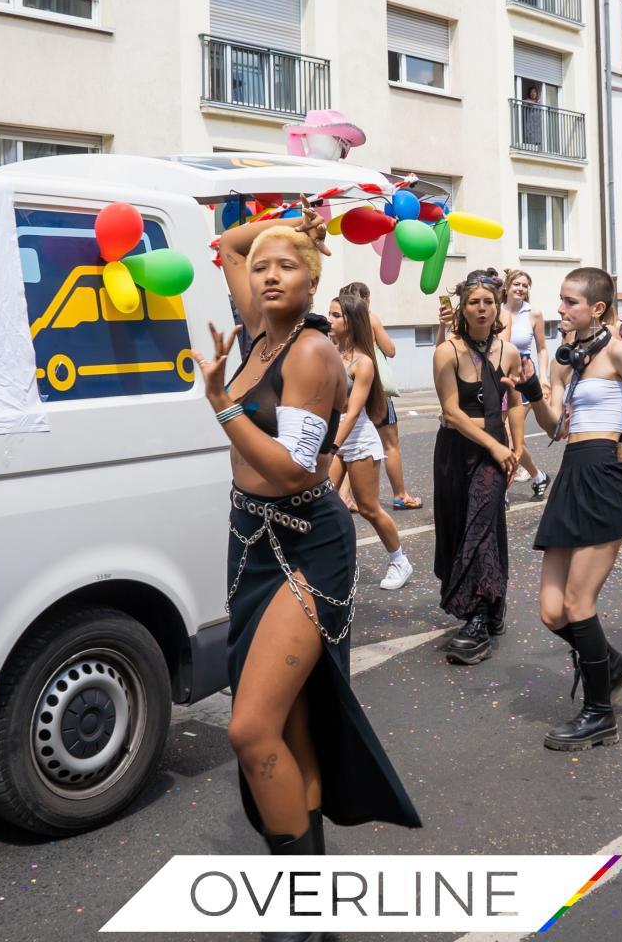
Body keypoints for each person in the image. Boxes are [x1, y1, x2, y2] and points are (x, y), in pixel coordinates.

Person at [198, 212, 420, 870]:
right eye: (261, 267)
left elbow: (293, 469)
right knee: (293, 723)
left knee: (250, 727)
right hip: (251, 544)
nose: (266, 273)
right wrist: (294, 224)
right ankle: (312, 894)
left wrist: (223, 406)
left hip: (306, 547)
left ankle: (297, 914)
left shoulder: (312, 352)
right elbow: (226, 243)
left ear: (313, 282)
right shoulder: (259, 333)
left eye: (286, 266)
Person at [506, 268, 622, 749]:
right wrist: (534, 389)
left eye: (570, 302)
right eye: (560, 300)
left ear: (597, 308)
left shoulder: (618, 350)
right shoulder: (568, 361)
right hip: (572, 473)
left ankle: (600, 714)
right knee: (552, 612)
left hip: (604, 476)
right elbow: (555, 427)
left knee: (579, 604)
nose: (560, 308)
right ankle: (611, 665)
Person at [431, 270, 524, 664]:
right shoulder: (447, 352)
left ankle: (479, 615)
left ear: (497, 306)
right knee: (459, 525)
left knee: (482, 528)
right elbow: (451, 412)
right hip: (456, 450)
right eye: (474, 302)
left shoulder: (510, 352)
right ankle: (493, 600)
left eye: (488, 302)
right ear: (462, 309)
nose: (482, 309)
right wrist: (495, 445)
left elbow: (515, 403)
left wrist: (515, 449)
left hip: (492, 454)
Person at [327, 291, 412, 591]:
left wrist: (332, 446)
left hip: (357, 440)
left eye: (336, 315)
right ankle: (330, 560)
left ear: (351, 322)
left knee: (368, 508)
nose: (330, 319)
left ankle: (400, 561)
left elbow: (351, 413)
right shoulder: (328, 352)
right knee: (323, 499)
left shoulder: (363, 362)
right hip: (334, 438)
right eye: (330, 313)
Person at [340, 282, 422, 511]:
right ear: (364, 298)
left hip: (351, 387)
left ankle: (345, 496)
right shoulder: (369, 318)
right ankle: (400, 494)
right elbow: (391, 350)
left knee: (352, 444)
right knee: (390, 444)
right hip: (374, 389)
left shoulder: (340, 322)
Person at [503, 269, 552, 498]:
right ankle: (538, 475)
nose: (520, 289)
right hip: (500, 376)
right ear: (507, 286)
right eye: (516, 284)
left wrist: (543, 378)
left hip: (524, 377)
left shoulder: (533, 314)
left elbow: (542, 348)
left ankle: (501, 491)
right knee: (505, 437)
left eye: (524, 285)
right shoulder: (497, 310)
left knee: (508, 436)